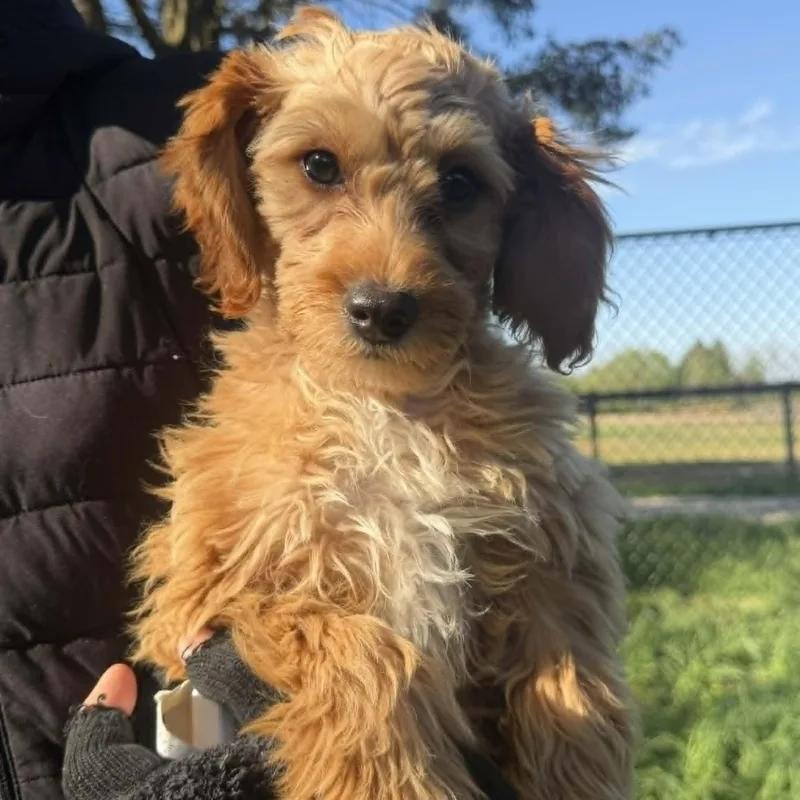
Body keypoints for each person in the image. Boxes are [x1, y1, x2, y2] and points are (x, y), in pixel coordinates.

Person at [0, 3, 517, 799]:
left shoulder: (171, 131)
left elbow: (197, 644)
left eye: (454, 185)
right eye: (319, 169)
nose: (382, 268)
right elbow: (195, 609)